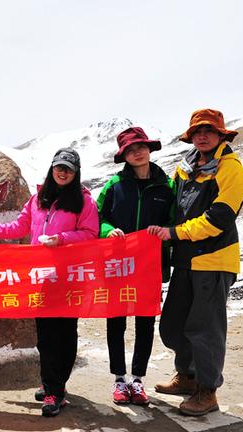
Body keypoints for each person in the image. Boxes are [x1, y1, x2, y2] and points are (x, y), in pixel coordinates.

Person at [0, 148, 99, 417]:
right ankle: (52, 383)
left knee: (64, 333)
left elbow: (90, 234)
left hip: (69, 277)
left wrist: (61, 239)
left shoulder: (85, 202)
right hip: (41, 276)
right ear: (52, 169)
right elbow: (20, 227)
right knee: (45, 335)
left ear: (76, 173)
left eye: (68, 168)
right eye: (59, 167)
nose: (63, 172)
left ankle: (56, 390)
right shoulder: (37, 199)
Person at [148, 108, 243, 416]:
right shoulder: (185, 168)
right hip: (186, 260)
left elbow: (217, 220)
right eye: (197, 132)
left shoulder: (232, 170)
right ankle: (188, 376)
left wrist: (174, 233)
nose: (202, 136)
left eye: (208, 131)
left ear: (221, 135)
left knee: (205, 328)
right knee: (174, 323)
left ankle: (208, 391)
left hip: (215, 259)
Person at [96, 127, 175, 405]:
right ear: (124, 156)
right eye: (130, 149)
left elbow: (175, 222)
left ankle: (138, 380)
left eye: (141, 146)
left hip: (149, 267)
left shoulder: (167, 186)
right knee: (115, 322)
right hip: (117, 266)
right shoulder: (113, 185)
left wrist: (164, 233)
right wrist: (108, 231)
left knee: (145, 323)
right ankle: (119, 379)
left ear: (149, 149)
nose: (137, 152)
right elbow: (97, 218)